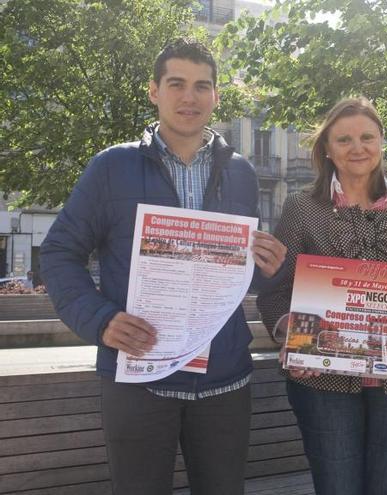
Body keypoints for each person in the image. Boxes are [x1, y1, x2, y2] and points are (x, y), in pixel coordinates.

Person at [40, 38, 288, 495]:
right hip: (138, 379)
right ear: (154, 91)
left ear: (216, 96)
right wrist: (100, 320)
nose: (189, 97)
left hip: (224, 380)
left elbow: (231, 275)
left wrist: (264, 265)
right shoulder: (110, 168)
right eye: (176, 84)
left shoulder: (242, 173)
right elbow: (58, 253)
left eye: (201, 86)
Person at [256, 97, 387, 495]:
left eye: (367, 137)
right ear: (327, 149)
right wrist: (289, 333)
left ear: (382, 141)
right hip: (323, 384)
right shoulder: (302, 208)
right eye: (344, 139)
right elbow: (274, 292)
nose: (358, 147)